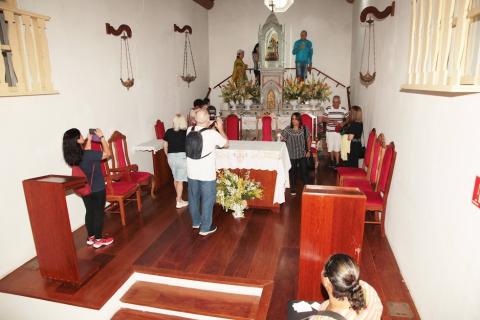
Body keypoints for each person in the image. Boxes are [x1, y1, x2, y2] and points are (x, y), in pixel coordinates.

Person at [62, 128, 114, 249]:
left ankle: (91, 237)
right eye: (80, 135)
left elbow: (87, 154)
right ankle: (99, 239)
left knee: (90, 211)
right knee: (99, 213)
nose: (82, 136)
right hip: (97, 188)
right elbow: (108, 154)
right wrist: (102, 138)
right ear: (77, 140)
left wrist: (89, 140)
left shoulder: (73, 157)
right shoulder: (88, 155)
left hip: (84, 189)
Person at [186, 109, 228, 236]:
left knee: (193, 198)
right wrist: (220, 128)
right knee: (207, 200)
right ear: (209, 120)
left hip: (192, 171)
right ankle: (205, 227)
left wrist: (207, 123)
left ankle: (196, 222)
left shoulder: (189, 130)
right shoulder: (212, 134)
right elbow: (226, 144)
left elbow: (200, 128)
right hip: (206, 173)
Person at [310, 254, 383, 320]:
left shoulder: (325, 318)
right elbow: (379, 310)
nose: (321, 272)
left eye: (323, 270)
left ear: (327, 281)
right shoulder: (368, 289)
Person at [281, 112, 310, 196]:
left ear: (299, 120)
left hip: (302, 153)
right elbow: (282, 139)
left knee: (304, 172)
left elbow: (308, 140)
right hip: (291, 154)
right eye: (292, 119)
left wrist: (308, 151)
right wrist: (281, 137)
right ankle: (293, 188)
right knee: (292, 172)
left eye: (296, 119)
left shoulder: (304, 128)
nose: (294, 121)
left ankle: (307, 187)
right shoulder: (287, 129)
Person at [164, 114, 189, 209]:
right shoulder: (186, 132)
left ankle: (180, 198)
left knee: (176, 178)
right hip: (182, 157)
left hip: (171, 157)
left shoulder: (168, 131)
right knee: (180, 180)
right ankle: (178, 201)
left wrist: (169, 156)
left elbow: (165, 146)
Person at [322, 95, 349, 168]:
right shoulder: (328, 109)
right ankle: (332, 161)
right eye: (334, 102)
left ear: (339, 102)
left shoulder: (343, 109)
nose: (335, 104)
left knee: (337, 147)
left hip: (338, 132)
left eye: (337, 102)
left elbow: (348, 118)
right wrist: (332, 121)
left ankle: (337, 163)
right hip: (329, 131)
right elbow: (323, 119)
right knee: (330, 147)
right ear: (332, 102)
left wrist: (343, 123)